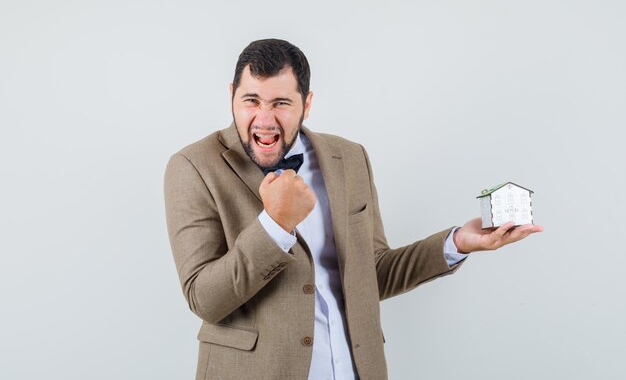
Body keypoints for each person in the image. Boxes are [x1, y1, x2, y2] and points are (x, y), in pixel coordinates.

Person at [163, 38, 543, 380]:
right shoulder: (194, 167)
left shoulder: (349, 157)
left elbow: (371, 274)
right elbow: (205, 299)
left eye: (281, 103)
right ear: (232, 95)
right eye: (251, 101)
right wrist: (275, 225)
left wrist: (458, 242)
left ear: (306, 104)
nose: (264, 119)